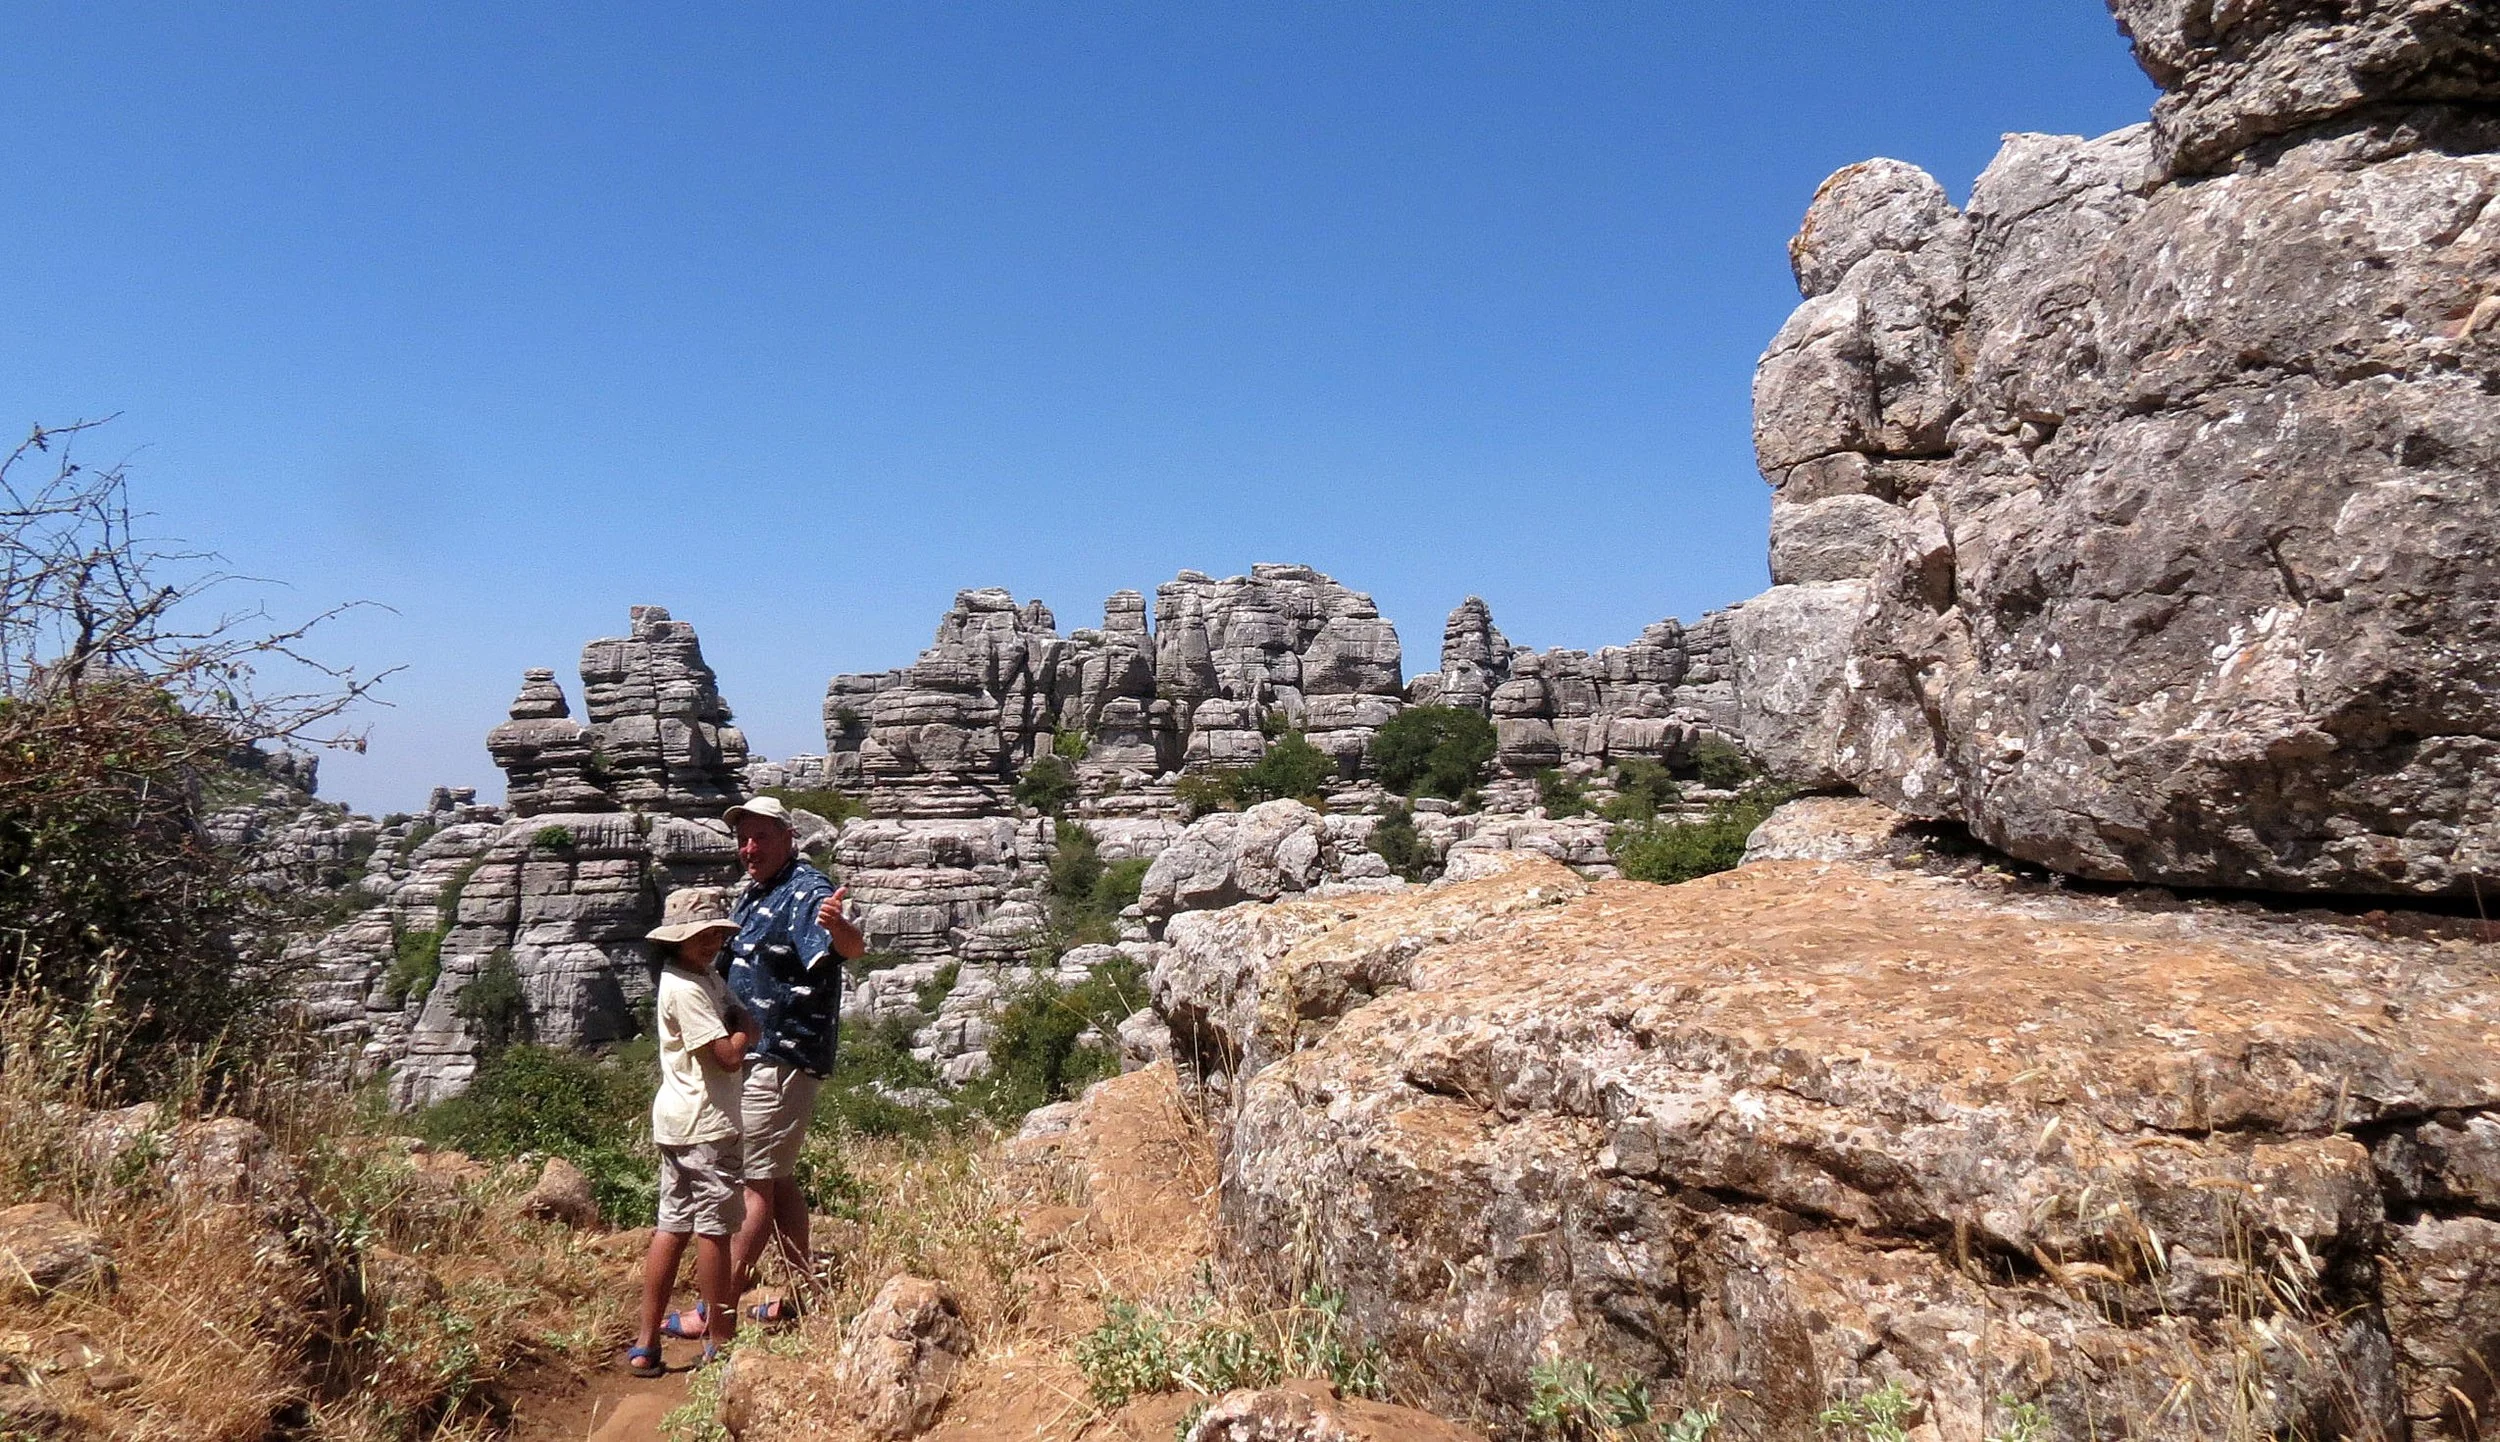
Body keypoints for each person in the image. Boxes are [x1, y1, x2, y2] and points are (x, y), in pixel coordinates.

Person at [719, 795, 867, 1322]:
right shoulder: (757, 892)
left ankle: (719, 1308)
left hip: (781, 1056)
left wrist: (840, 927)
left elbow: (849, 947)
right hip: (756, 1055)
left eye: (760, 837)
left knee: (750, 1180)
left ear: (789, 838)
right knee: (776, 1177)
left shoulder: (807, 890)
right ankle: (807, 1289)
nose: (749, 848)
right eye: (743, 839)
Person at [627, 886, 754, 1378]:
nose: (711, 942)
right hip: (707, 1124)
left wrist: (740, 1024)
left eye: (717, 933)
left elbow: (736, 1014)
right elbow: (725, 1055)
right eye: (700, 935)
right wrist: (748, 1034)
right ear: (675, 941)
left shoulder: (697, 976)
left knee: (671, 1227)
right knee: (714, 1231)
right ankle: (720, 1340)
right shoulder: (689, 988)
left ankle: (646, 1343)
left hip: (677, 1121)